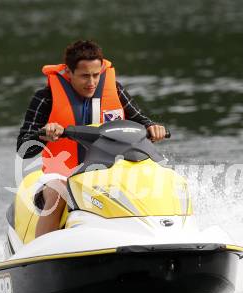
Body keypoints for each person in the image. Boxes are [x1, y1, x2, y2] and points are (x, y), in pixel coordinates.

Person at [17, 40, 166, 237]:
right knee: (57, 193)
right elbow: (23, 148)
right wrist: (45, 134)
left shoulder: (115, 90)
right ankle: (40, 253)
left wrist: (153, 128)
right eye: (85, 76)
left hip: (108, 172)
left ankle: (158, 234)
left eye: (96, 75)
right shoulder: (46, 97)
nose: (92, 82)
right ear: (69, 73)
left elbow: (142, 122)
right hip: (61, 174)